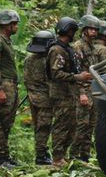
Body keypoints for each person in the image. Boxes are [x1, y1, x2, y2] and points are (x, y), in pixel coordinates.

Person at [48, 17, 91, 166]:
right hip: (60, 94)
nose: (74, 34)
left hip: (69, 93)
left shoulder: (68, 49)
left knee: (71, 125)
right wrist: (77, 76)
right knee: (61, 125)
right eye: (73, 30)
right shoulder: (57, 50)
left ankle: (63, 155)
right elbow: (55, 73)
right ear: (68, 30)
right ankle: (57, 157)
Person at [0, 9, 20, 168]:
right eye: (14, 24)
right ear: (6, 25)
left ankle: (4, 155)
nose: (16, 26)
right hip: (4, 84)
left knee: (8, 120)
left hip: (11, 84)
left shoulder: (6, 41)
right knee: (1, 121)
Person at [71, 15, 101, 162]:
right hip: (82, 90)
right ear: (84, 30)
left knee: (91, 124)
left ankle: (85, 154)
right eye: (90, 29)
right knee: (81, 124)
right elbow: (77, 72)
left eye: (95, 29)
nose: (93, 32)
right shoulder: (78, 47)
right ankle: (74, 154)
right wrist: (81, 93)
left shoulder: (93, 47)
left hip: (93, 89)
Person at [24, 30, 55, 165]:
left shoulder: (28, 59)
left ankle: (41, 153)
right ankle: (41, 155)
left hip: (32, 96)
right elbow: (51, 81)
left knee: (38, 126)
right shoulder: (46, 61)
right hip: (44, 99)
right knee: (44, 127)